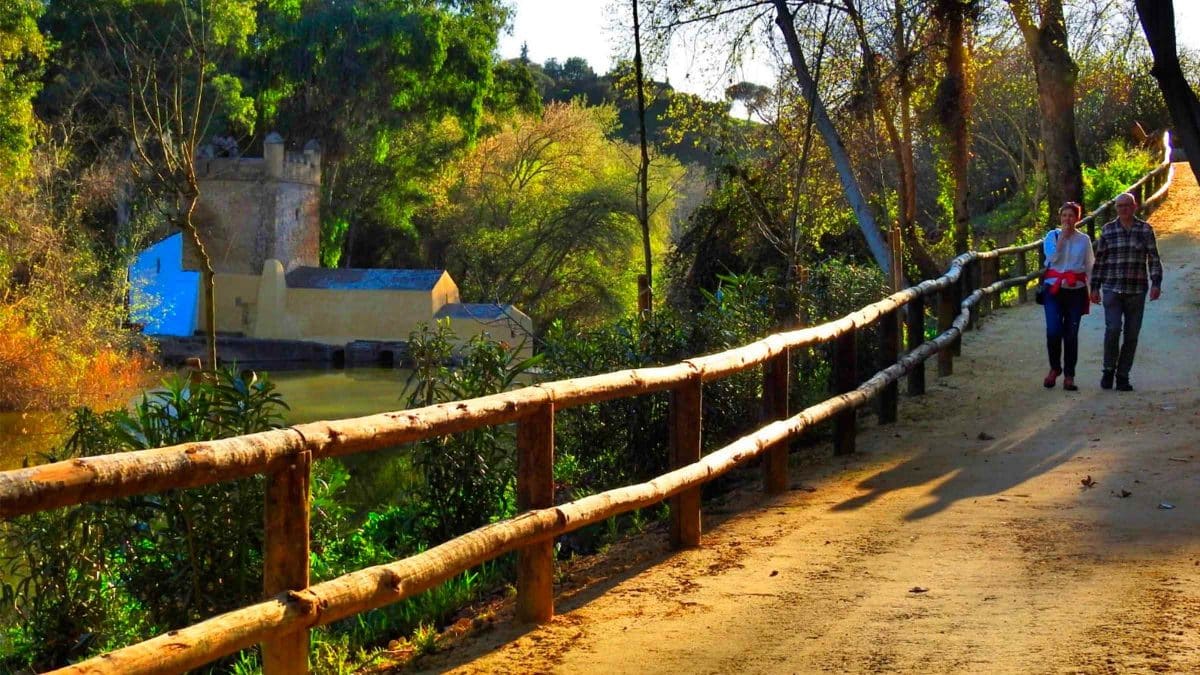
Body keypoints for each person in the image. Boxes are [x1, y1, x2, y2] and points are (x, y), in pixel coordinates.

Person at [1089, 192, 1163, 391]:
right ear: (1116, 209)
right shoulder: (1108, 230)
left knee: (1132, 334)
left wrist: (1156, 282)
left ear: (1134, 206)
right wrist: (1094, 287)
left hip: (1136, 289)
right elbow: (1100, 261)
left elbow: (1153, 258)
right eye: (1120, 206)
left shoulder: (1145, 230)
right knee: (1113, 329)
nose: (1123, 209)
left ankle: (1123, 375)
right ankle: (1108, 369)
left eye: (1127, 205)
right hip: (1112, 288)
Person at [1042, 202, 1093, 391]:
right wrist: (1062, 239)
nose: (1067, 219)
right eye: (1064, 215)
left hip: (1076, 290)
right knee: (1054, 330)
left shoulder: (1084, 240)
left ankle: (1070, 375)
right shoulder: (1051, 236)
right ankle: (1055, 368)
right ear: (1060, 217)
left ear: (1077, 218)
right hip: (1054, 289)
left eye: (1071, 216)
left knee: (1071, 334)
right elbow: (1051, 259)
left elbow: (1089, 265)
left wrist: (1093, 289)